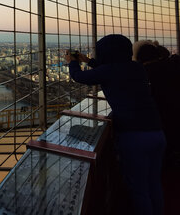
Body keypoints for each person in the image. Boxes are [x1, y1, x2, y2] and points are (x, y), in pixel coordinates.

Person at [65, 34, 165, 215]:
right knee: (153, 183)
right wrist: (88, 60)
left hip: (134, 137)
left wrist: (72, 61)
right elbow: (111, 70)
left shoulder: (108, 71)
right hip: (156, 133)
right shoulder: (137, 68)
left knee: (139, 189)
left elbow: (79, 76)